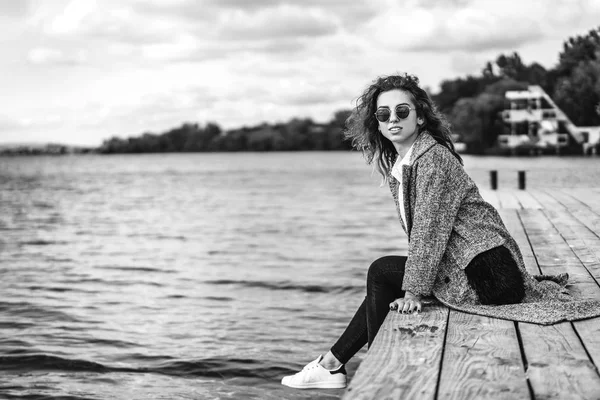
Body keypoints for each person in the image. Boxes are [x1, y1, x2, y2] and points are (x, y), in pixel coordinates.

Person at [280, 73, 600, 390]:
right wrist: (413, 284)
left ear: (419, 117)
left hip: (489, 277)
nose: (393, 118)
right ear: (376, 123)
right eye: (383, 114)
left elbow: (428, 231)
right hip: (482, 270)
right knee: (387, 275)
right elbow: (425, 233)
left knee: (382, 272)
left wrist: (414, 292)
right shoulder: (408, 162)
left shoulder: (433, 161)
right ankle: (333, 364)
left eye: (402, 111)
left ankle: (371, 365)